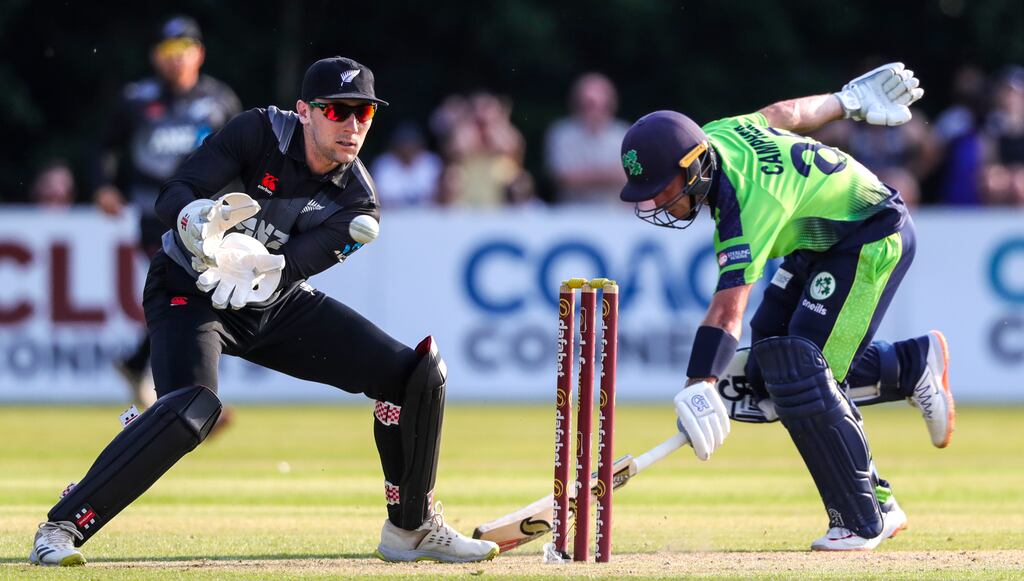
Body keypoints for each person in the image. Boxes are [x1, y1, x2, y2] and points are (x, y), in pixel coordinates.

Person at [28, 56, 498, 567]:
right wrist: (197, 221)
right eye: (337, 110)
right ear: (304, 111)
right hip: (189, 289)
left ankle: (411, 527)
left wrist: (265, 268)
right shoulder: (257, 132)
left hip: (271, 301)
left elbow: (290, 268)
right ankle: (63, 524)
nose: (352, 125)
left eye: (364, 113)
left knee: (418, 375)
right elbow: (174, 195)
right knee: (193, 408)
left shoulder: (359, 205)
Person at [618, 63, 955, 551]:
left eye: (662, 190)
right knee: (770, 361)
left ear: (693, 167)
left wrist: (699, 384)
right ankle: (910, 365)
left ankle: (870, 513)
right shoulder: (718, 135)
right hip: (821, 242)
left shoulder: (746, 206)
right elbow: (782, 113)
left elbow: (726, 310)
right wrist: (846, 101)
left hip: (871, 235)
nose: (657, 203)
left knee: (801, 372)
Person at [90, 15, 242, 409]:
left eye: (183, 51)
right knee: (187, 283)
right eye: (167, 52)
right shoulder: (136, 99)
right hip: (154, 214)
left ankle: (144, 365)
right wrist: (103, 186)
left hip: (210, 217)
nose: (176, 60)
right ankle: (180, 384)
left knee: (192, 291)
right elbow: (104, 146)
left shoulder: (220, 101)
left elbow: (246, 154)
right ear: (155, 57)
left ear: (200, 54)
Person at [545, 73, 630, 205]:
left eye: (597, 104)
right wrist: (610, 174)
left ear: (610, 104)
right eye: (587, 104)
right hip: (572, 213)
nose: (593, 111)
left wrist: (585, 175)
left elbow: (631, 177)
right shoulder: (561, 133)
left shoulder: (624, 134)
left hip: (616, 216)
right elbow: (564, 179)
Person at [370, 122, 442, 208]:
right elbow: (378, 199)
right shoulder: (384, 164)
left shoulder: (431, 162)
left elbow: (440, 196)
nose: (407, 148)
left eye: (412, 143)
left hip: (428, 216)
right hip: (392, 217)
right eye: (404, 144)